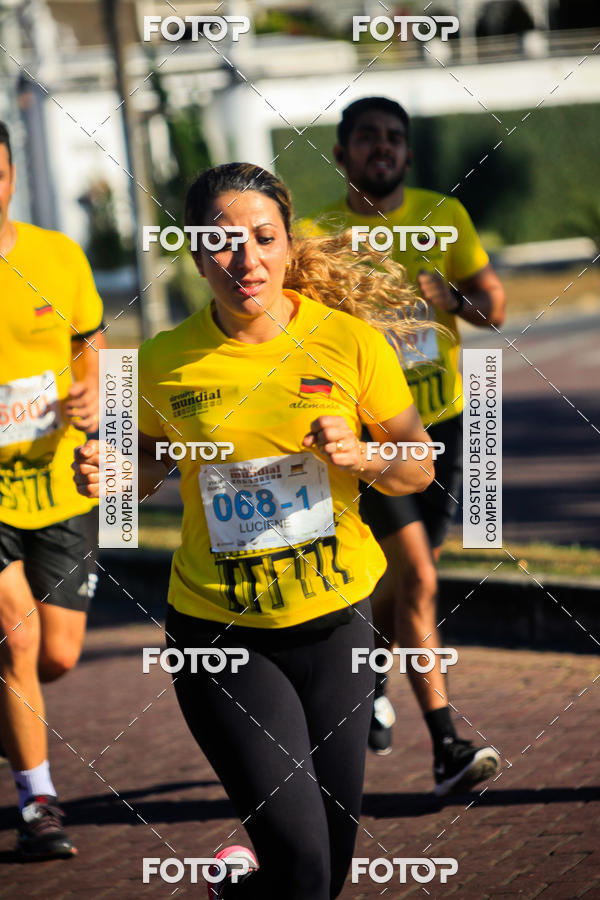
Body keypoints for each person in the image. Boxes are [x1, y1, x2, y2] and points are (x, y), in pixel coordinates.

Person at [74, 162, 438, 899]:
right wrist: (120, 477)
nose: (246, 261)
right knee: (302, 865)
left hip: (337, 625)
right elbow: (146, 465)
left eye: (263, 238)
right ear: (195, 250)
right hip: (221, 635)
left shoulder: (347, 343)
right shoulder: (164, 360)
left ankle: (234, 891)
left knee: (326, 871)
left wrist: (362, 454)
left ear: (287, 241)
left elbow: (419, 465)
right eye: (222, 242)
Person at [308, 97, 506, 795]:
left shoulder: (442, 217)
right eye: (366, 138)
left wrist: (451, 297)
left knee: (403, 584)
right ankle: (448, 747)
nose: (381, 148)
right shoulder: (316, 235)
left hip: (445, 425)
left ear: (410, 154)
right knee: (419, 578)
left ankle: (368, 680)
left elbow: (495, 307)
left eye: (394, 138)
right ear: (341, 153)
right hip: (371, 439)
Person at [0, 120, 104, 857]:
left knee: (58, 654)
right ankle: (39, 801)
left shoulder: (56, 257)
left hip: (61, 479)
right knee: (18, 633)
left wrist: (92, 395)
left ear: (9, 173)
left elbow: (89, 345)